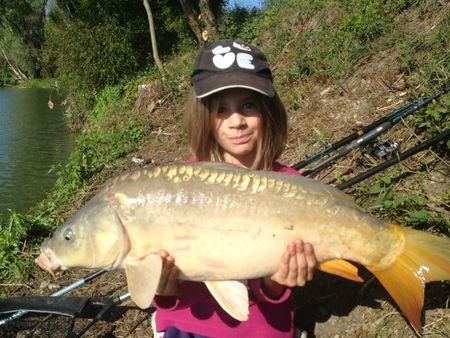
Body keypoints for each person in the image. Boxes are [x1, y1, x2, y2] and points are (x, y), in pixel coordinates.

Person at [152, 39, 318, 338]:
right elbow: (166, 299)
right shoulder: (177, 186)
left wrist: (276, 281)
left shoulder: (291, 185)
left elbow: (273, 291)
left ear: (268, 110)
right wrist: (162, 287)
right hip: (188, 326)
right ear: (204, 117)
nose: (236, 121)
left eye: (248, 105)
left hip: (262, 328)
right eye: (221, 110)